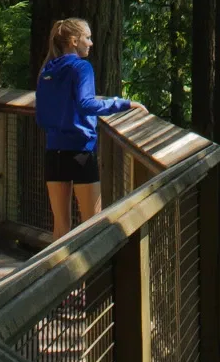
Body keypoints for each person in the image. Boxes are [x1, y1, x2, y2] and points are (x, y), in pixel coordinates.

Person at [35, 18, 144, 241]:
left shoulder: (48, 69)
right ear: (74, 41)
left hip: (53, 150)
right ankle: (89, 277)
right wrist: (123, 103)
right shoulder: (81, 67)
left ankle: (62, 275)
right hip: (80, 152)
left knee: (60, 229)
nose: (91, 43)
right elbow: (86, 104)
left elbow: (43, 113)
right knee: (92, 226)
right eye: (87, 37)